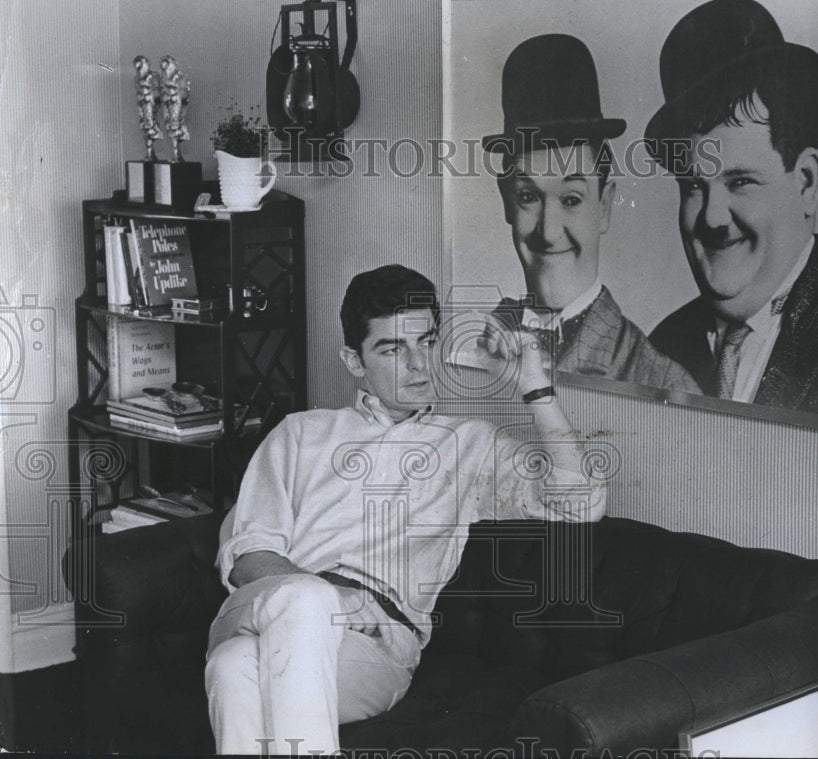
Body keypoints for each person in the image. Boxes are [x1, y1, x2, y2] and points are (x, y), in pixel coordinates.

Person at [203, 264, 607, 754]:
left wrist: (535, 386)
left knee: (233, 667)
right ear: (354, 361)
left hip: (374, 647)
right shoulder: (300, 432)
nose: (419, 365)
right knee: (304, 604)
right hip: (272, 604)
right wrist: (332, 599)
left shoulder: (468, 445)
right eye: (393, 349)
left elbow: (581, 502)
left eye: (427, 342)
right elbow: (248, 554)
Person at [644, 0, 818, 420]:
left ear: (806, 182)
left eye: (741, 181)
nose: (713, 217)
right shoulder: (662, 347)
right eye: (694, 186)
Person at [482, 34, 698, 392]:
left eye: (571, 199)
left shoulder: (664, 382)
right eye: (528, 196)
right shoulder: (478, 349)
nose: (549, 232)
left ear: (604, 206)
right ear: (506, 201)